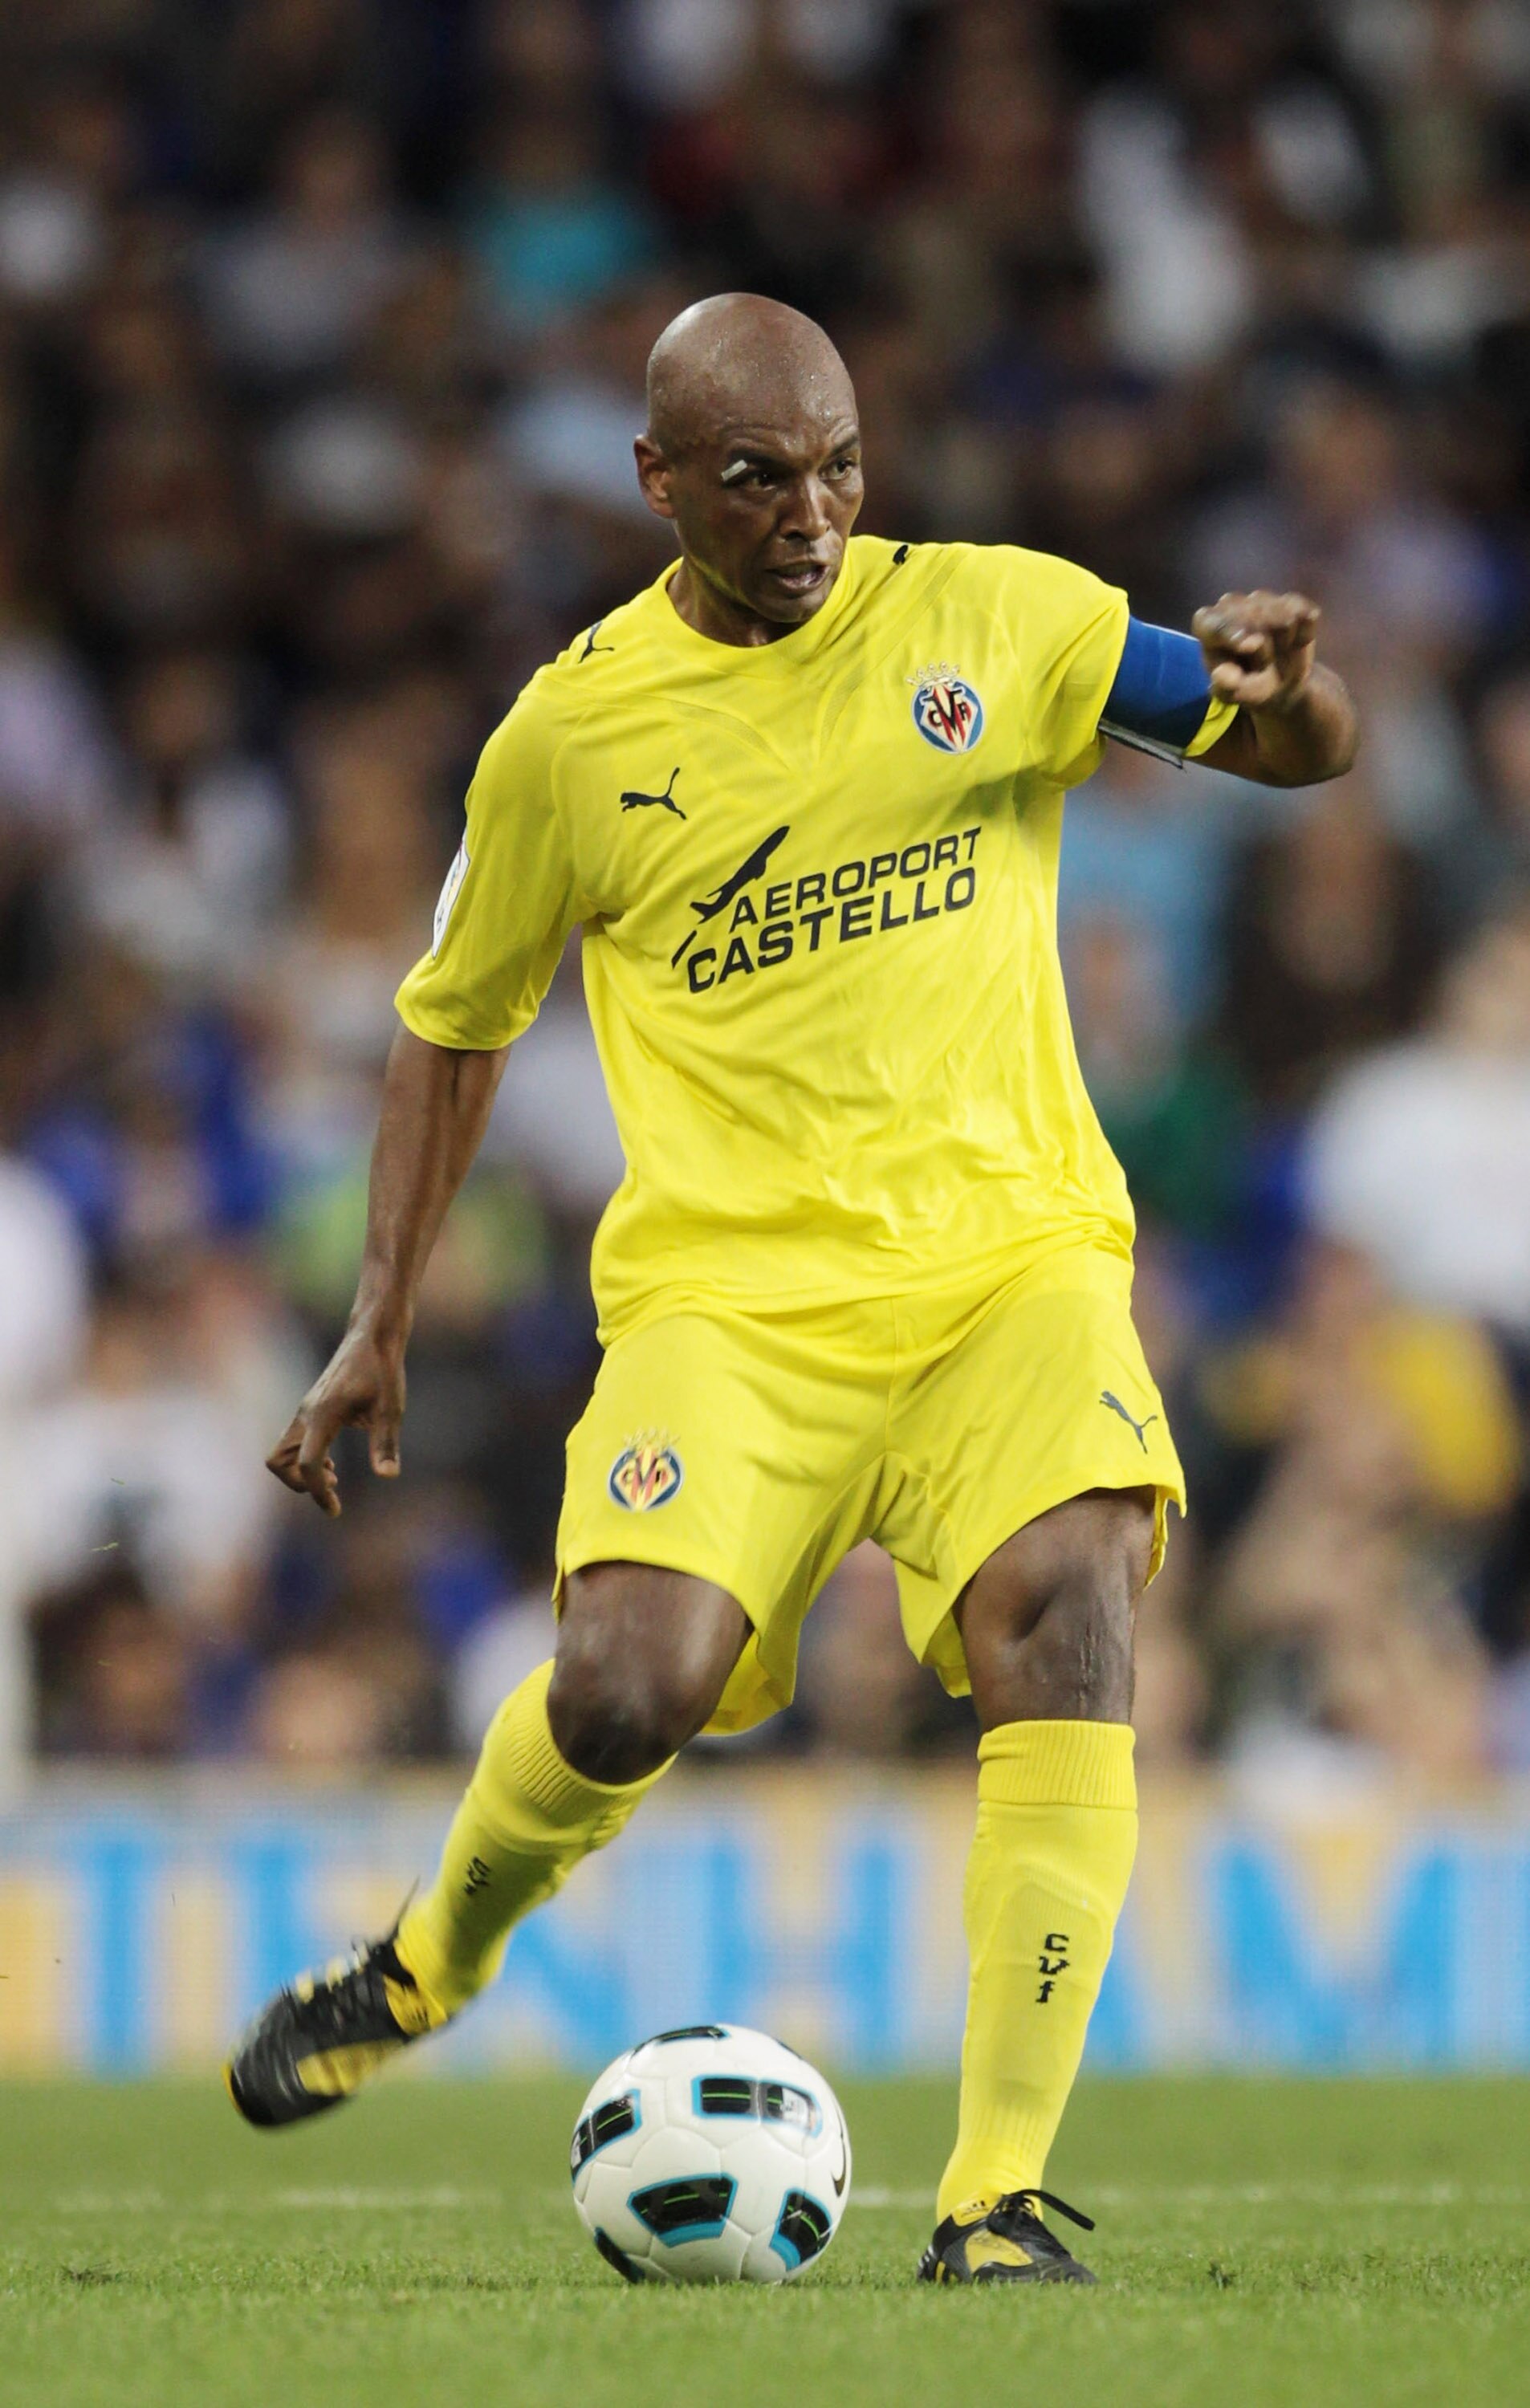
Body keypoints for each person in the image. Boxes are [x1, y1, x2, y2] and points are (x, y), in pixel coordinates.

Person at [226, 294, 1356, 2284]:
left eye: (840, 464)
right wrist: (377, 1310)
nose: (812, 512)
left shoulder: (999, 615)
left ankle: (992, 2196)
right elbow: (452, 1026)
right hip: (731, 1303)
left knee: (1067, 1610)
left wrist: (1284, 691)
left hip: (1007, 1258)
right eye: (757, 478)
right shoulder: (570, 738)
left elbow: (1280, 745)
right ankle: (427, 1962)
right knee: (621, 1689)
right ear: (655, 482)